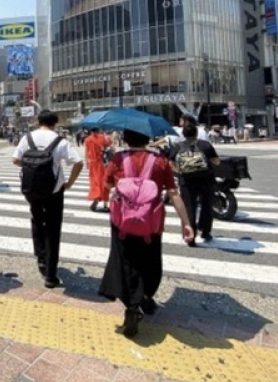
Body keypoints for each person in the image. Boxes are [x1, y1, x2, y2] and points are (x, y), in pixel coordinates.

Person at [99, 129, 194, 338]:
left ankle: (131, 307)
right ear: (147, 139)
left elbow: (107, 184)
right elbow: (173, 193)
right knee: (149, 260)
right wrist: (186, 223)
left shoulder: (117, 158)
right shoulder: (160, 161)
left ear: (125, 139)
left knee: (124, 261)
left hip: (122, 222)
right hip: (151, 222)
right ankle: (146, 297)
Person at [13, 110, 83, 288]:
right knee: (53, 227)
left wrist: (31, 166)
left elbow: (15, 159)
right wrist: (69, 183)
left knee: (36, 219)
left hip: (31, 189)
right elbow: (78, 162)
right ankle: (50, 275)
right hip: (54, 191)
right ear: (55, 123)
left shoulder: (27, 138)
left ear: (38, 121)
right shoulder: (60, 141)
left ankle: (41, 258)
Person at [170, 123, 221, 243]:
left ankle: (190, 236)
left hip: (187, 181)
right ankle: (206, 232)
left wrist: (181, 170)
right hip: (206, 179)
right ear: (196, 133)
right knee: (206, 206)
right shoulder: (205, 145)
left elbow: (170, 164)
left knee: (189, 208)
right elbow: (216, 161)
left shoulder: (178, 146)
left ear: (183, 134)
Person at [84, 128, 111, 212]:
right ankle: (105, 205)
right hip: (103, 163)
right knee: (105, 182)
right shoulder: (104, 138)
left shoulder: (87, 139)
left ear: (91, 131)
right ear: (99, 130)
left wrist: (87, 163)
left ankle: (96, 199)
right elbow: (110, 147)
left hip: (93, 163)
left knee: (95, 182)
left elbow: (86, 153)